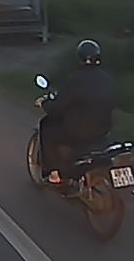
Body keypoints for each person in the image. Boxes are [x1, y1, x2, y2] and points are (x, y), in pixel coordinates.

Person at [36, 39, 117, 191]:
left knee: (46, 127)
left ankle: (55, 174)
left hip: (78, 131)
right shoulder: (108, 79)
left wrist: (45, 103)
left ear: (79, 58)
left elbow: (58, 107)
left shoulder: (75, 79)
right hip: (103, 131)